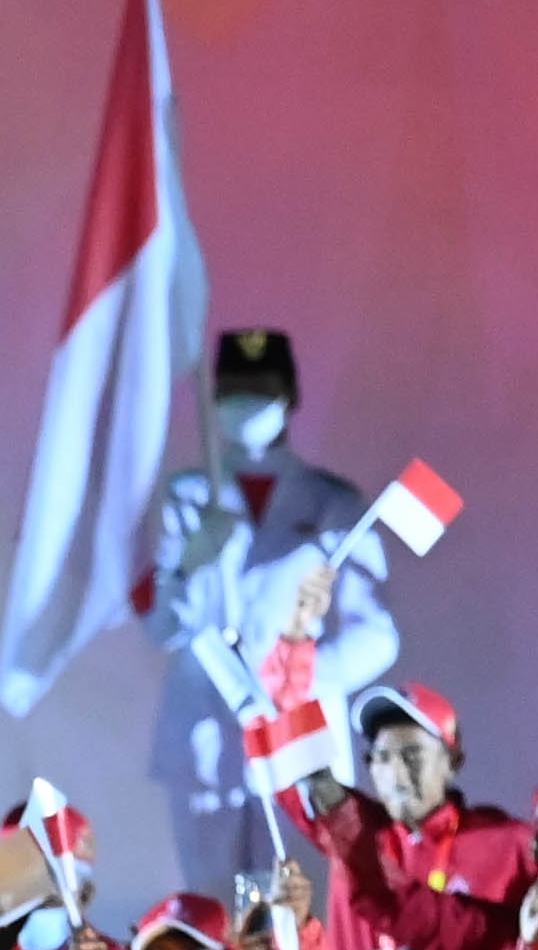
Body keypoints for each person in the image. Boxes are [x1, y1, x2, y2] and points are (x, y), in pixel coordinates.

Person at [139, 330, 391, 896]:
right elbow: (162, 625)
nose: (246, 403)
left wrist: (295, 676)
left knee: (304, 911)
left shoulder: (333, 500)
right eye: (234, 390)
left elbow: (376, 634)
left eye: (261, 388)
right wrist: (188, 565)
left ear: (290, 396)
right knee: (214, 914)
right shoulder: (186, 494)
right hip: (207, 734)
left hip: (299, 734)